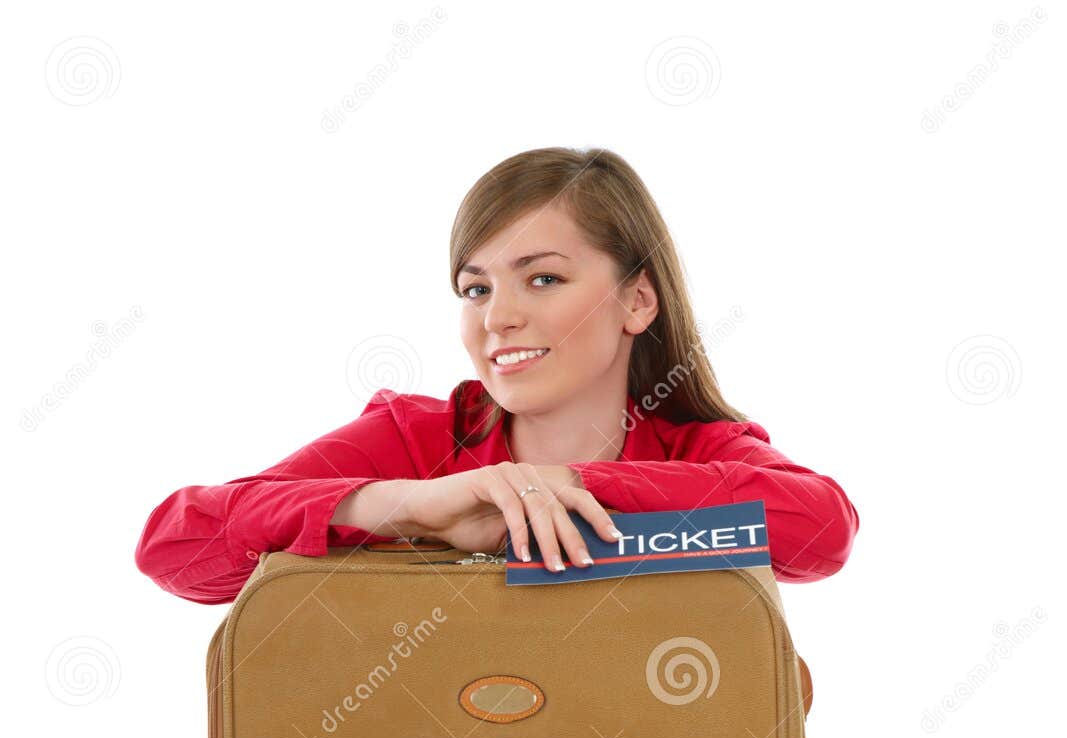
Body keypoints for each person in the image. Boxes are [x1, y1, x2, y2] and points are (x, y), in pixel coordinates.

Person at [135, 147, 859, 606]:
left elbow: (821, 528)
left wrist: (573, 486)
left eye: (542, 278)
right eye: (476, 289)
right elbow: (174, 546)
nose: (496, 318)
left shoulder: (700, 452)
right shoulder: (414, 440)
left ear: (637, 299)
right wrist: (410, 506)